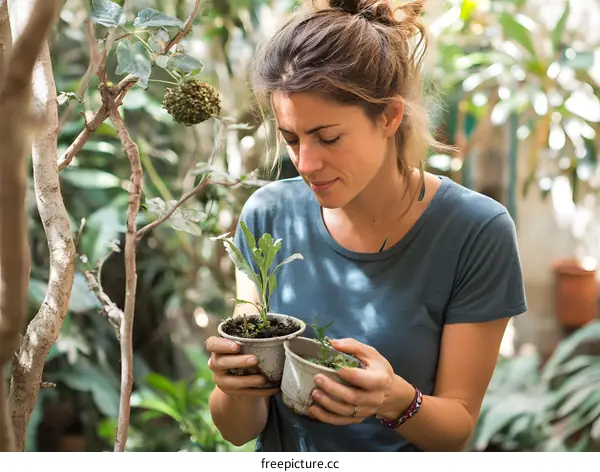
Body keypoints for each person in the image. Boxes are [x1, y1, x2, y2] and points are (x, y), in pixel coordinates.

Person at [205, 0, 527, 452]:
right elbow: (237, 429)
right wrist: (234, 384)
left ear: (389, 116)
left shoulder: (476, 231)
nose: (307, 163)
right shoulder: (267, 215)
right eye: (291, 138)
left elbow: (456, 427)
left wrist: (395, 400)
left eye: (329, 137)